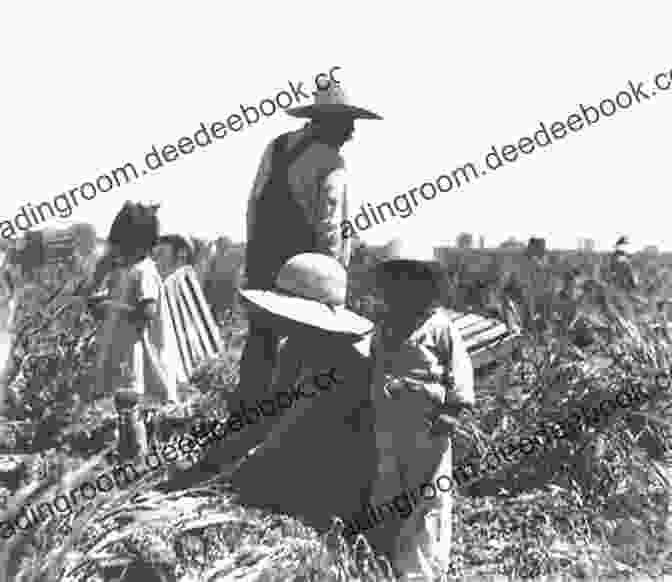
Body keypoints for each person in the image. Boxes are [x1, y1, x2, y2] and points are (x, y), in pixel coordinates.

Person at [237, 82, 382, 414]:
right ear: (330, 121)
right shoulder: (331, 161)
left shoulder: (274, 147)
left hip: (264, 262)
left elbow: (253, 205)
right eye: (349, 124)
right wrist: (332, 281)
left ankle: (244, 416)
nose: (353, 133)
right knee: (307, 349)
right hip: (308, 273)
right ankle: (290, 419)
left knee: (260, 342)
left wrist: (255, 261)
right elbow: (331, 226)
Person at [364, 239, 475, 582]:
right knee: (387, 489)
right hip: (389, 426)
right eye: (395, 281)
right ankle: (382, 557)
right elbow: (375, 367)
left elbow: (461, 375)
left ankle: (421, 570)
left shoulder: (441, 328)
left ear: (429, 286)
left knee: (429, 497)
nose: (403, 289)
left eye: (413, 280)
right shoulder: (383, 328)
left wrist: (452, 412)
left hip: (429, 429)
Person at [95, 202, 177, 403]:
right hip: (120, 351)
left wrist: (111, 307)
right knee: (121, 406)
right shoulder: (123, 269)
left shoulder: (144, 271)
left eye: (122, 246)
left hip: (138, 355)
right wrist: (99, 304)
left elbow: (147, 312)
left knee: (134, 409)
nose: (118, 251)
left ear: (140, 245)